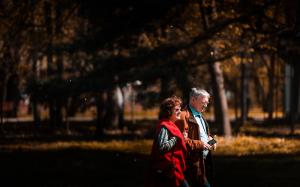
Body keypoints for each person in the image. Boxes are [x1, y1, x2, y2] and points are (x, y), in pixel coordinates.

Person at [145, 96, 190, 187]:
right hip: (169, 170)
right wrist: (177, 138)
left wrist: (182, 138)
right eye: (176, 109)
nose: (179, 112)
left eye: (180, 109)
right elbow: (162, 147)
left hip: (175, 169)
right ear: (169, 111)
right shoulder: (164, 126)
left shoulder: (170, 125)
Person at [176, 88, 216, 187]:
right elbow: (181, 140)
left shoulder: (200, 116)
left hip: (203, 162)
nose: (206, 105)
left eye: (207, 103)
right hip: (191, 164)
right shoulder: (183, 116)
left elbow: (206, 135)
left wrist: (212, 140)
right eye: (203, 102)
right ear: (193, 100)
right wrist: (201, 144)